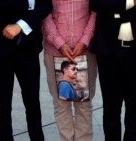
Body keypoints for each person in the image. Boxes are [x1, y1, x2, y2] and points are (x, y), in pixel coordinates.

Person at [90, 0, 136, 141]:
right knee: (111, 107)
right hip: (108, 50)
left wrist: (118, 10)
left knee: (135, 106)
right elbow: (97, 4)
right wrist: (132, 2)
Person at [0, 0, 52, 140]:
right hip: (1, 48)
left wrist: (20, 25)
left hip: (29, 49)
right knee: (3, 104)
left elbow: (45, 5)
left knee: (33, 102)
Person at [42, 0, 97, 140]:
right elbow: (44, 13)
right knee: (61, 103)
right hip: (55, 52)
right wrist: (59, 43)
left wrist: (84, 41)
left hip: (84, 52)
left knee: (83, 103)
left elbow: (94, 13)